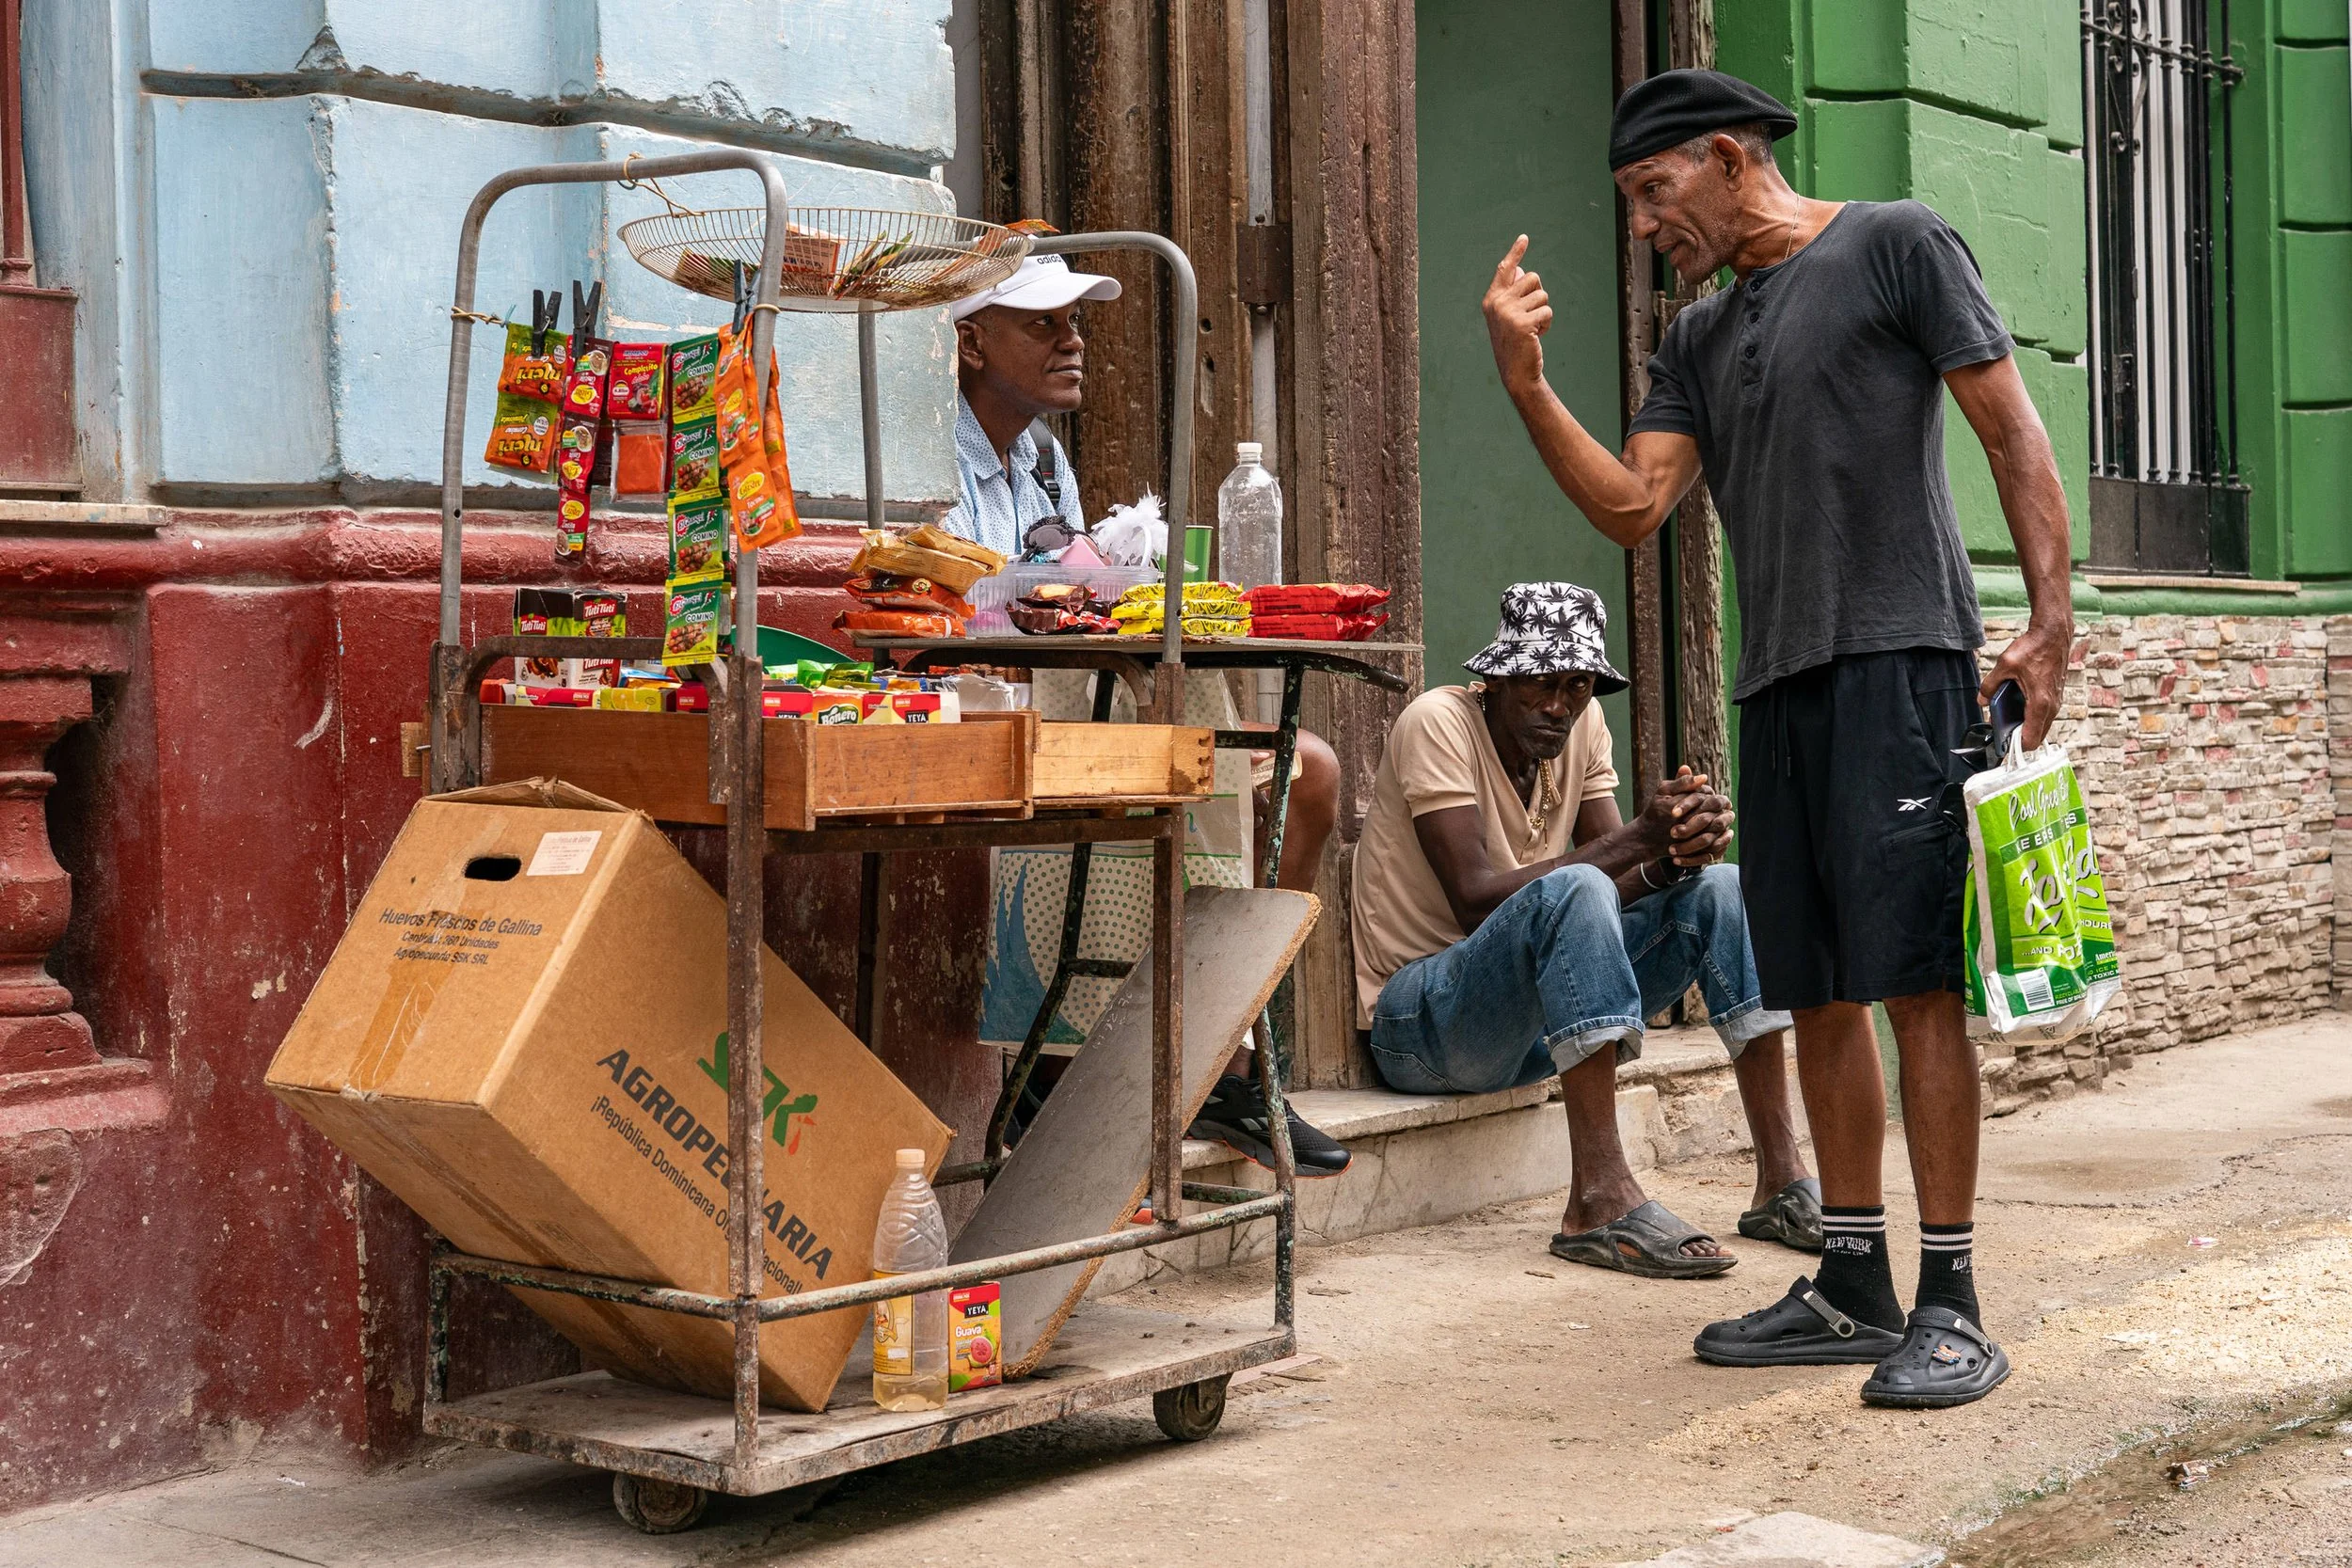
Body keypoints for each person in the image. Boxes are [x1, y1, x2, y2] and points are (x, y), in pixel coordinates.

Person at [1480, 70, 2074, 1407]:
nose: (1643, 224)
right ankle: (1854, 1279)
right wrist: (1525, 384)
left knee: (1916, 979)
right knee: (1816, 986)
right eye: (1631, 202)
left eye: (1654, 192)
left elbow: (2010, 426)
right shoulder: (1695, 338)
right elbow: (1637, 505)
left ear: (1733, 157)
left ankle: (1956, 1296)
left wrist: (2050, 621)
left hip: (1903, 664)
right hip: (1779, 683)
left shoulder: (1895, 242)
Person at [944, 255, 1351, 1175]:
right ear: (970, 340)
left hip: (1057, 692)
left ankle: (1216, 1049)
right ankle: (1158, 1059)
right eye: (1043, 323)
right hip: (975, 704)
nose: (1072, 339)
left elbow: (1076, 598)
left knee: (1305, 771)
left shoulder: (1042, 457)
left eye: (1075, 322)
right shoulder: (936, 449)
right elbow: (959, 607)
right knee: (1208, 765)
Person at [1352, 582, 1820, 1276]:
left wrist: (1676, 854)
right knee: (1571, 886)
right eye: (1539, 682)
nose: (1558, 705)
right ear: (1497, 676)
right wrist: (1640, 837)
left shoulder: (1583, 725)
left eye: (1576, 686)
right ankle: (1598, 1196)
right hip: (1423, 1023)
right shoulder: (1437, 722)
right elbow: (1478, 900)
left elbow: (1622, 884)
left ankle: (1780, 1180)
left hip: (1534, 1025)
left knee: (1722, 887)